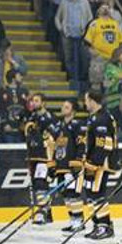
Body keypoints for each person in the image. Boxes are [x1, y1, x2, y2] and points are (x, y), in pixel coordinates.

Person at [81, 90, 119, 240]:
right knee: (91, 194)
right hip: (92, 162)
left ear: (92, 100)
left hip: (100, 163)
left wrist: (94, 162)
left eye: (86, 100)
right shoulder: (95, 117)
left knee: (97, 194)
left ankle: (105, 226)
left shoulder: (102, 118)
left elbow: (104, 144)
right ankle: (98, 225)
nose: (85, 103)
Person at [21, 92, 58, 224]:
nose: (34, 103)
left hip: (44, 156)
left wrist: (51, 160)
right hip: (33, 156)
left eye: (37, 101)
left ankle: (42, 211)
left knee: (40, 182)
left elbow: (53, 138)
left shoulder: (50, 118)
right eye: (33, 101)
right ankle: (48, 212)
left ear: (43, 103)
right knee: (36, 185)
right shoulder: (31, 117)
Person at [52, 99, 88, 232]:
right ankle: (73, 221)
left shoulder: (78, 125)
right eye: (63, 106)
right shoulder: (59, 126)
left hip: (72, 166)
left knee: (73, 195)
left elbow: (81, 145)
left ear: (73, 110)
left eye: (66, 107)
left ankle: (79, 221)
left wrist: (77, 165)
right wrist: (54, 165)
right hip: (61, 166)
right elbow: (56, 146)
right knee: (66, 195)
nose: (63, 108)